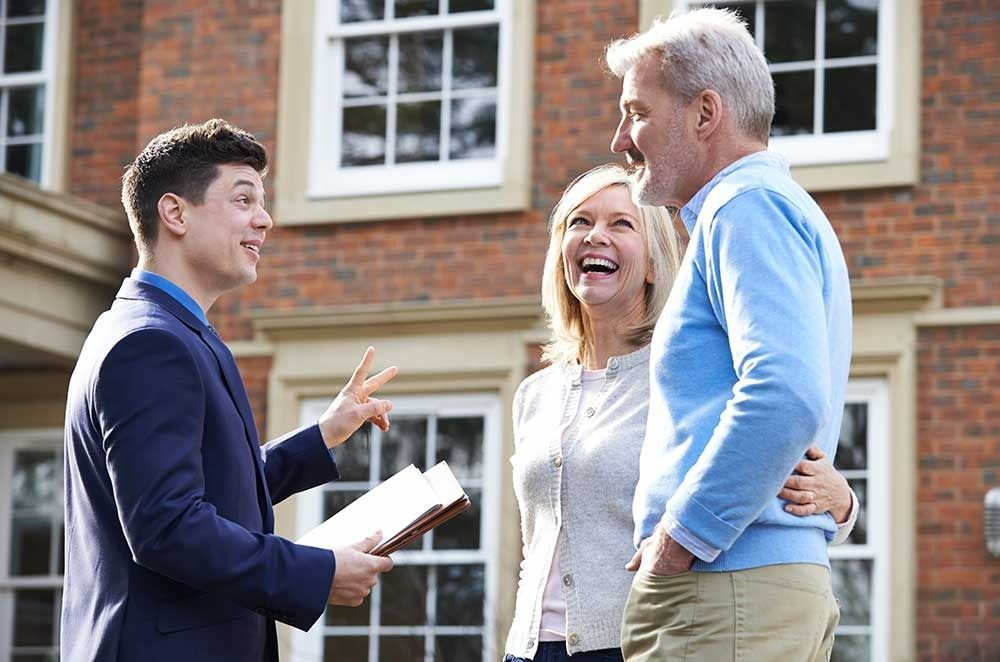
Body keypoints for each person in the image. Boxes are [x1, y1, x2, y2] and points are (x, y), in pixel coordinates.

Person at [61, 119, 395, 662]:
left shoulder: (163, 331)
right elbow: (168, 526)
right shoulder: (150, 343)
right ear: (175, 214)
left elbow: (208, 492)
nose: (264, 219)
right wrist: (317, 572)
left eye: (262, 203)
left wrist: (322, 436)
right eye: (243, 200)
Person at [502, 165, 857, 662]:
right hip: (528, 649)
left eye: (621, 224)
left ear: (653, 263)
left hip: (635, 641)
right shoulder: (533, 395)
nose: (595, 236)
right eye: (579, 222)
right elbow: (536, 542)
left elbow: (761, 453)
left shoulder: (683, 378)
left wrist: (843, 504)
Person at [606, 8, 854, 661]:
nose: (620, 139)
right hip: (749, 587)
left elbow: (784, 393)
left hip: (725, 587)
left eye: (636, 112)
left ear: (705, 113)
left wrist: (680, 538)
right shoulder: (764, 206)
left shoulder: (746, 206)